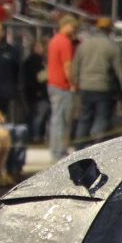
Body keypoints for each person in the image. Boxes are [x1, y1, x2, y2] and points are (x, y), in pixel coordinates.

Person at [70, 18, 122, 147]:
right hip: (103, 87)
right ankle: (97, 146)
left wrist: (77, 83)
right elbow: (121, 72)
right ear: (109, 30)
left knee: (84, 119)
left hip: (85, 87)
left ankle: (79, 147)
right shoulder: (111, 46)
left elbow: (75, 67)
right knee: (101, 118)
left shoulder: (84, 45)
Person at [46, 14, 78, 159]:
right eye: (74, 27)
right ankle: (58, 152)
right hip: (62, 85)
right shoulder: (65, 42)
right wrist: (72, 83)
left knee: (57, 118)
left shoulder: (54, 40)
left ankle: (56, 149)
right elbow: (67, 65)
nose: (75, 31)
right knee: (61, 120)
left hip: (53, 83)